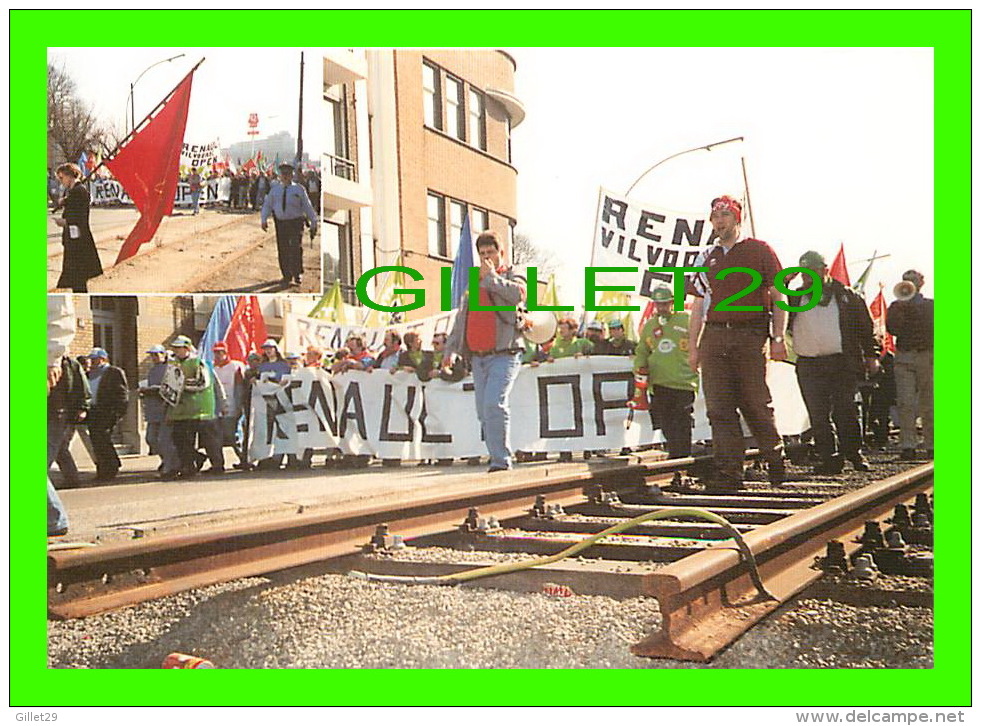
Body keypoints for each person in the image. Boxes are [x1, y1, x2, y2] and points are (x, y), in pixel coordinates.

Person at [686, 195, 788, 489]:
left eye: (725, 216)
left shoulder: (759, 250)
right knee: (719, 407)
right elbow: (697, 305)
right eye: (715, 217)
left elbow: (779, 297)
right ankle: (730, 473)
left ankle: (774, 457)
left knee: (755, 403)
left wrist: (778, 337)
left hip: (750, 333)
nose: (719, 222)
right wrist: (693, 347)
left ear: (737, 219)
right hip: (715, 335)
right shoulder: (706, 257)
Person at [787, 251, 879, 474]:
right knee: (817, 413)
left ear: (824, 270)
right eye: (804, 273)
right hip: (809, 363)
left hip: (841, 362)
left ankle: (854, 453)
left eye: (813, 272)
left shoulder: (847, 296)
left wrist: (871, 356)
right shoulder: (795, 298)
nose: (808, 278)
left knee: (845, 409)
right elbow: (774, 309)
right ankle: (829, 457)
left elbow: (866, 329)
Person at [444, 231, 527, 472]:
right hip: (478, 356)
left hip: (505, 351)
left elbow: (518, 295)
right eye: (482, 253)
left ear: (501, 253)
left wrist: (491, 277)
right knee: (483, 411)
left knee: (494, 404)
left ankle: (501, 461)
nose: (486, 257)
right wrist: (451, 349)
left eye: (490, 252)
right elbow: (463, 317)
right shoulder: (474, 281)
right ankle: (497, 455)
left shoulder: (515, 274)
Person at [633, 284, 699, 459]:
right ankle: (674, 454)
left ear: (672, 302)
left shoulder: (687, 320)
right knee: (665, 422)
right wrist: (639, 368)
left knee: (682, 421)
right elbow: (642, 351)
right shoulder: (650, 326)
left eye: (665, 304)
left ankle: (682, 457)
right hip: (659, 384)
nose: (661, 308)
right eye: (658, 304)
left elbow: (701, 342)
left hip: (684, 382)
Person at [886, 269, 934, 460]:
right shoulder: (896, 306)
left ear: (921, 282)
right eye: (906, 280)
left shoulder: (931, 306)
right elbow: (892, 328)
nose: (910, 283)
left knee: (929, 402)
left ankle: (932, 443)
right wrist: (902, 309)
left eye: (913, 280)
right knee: (905, 403)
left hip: (926, 355)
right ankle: (908, 445)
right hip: (905, 356)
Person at [164, 336, 219, 479]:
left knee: (207, 440)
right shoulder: (173, 364)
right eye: (174, 348)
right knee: (180, 440)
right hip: (180, 410)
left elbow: (202, 383)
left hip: (199, 409)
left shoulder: (198, 362)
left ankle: (215, 465)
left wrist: (181, 386)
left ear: (187, 348)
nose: (176, 351)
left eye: (178, 348)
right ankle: (191, 464)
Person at [260, 163, 319, 286]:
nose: (286, 176)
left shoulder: (299, 189)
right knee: (283, 249)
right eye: (283, 174)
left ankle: (297, 273)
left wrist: (314, 221)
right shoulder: (275, 190)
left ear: (292, 175)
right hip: (281, 223)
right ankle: (286, 275)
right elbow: (267, 205)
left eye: (288, 174)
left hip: (295, 222)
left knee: (296, 248)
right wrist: (264, 219)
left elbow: (307, 206)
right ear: (280, 176)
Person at [53, 162, 103, 293]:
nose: (61, 181)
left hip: (78, 243)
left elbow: (79, 218)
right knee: (77, 280)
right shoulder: (75, 191)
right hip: (76, 241)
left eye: (62, 178)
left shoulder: (78, 191)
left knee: (78, 280)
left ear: (69, 176)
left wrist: (63, 222)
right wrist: (66, 201)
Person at [86, 347, 129, 482]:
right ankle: (102, 469)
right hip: (93, 411)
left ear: (103, 359)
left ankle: (111, 466)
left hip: (107, 411)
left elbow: (122, 393)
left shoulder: (114, 372)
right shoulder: (89, 374)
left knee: (103, 438)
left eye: (95, 359)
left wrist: (118, 412)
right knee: (96, 440)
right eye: (91, 360)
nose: (92, 362)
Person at [139, 344, 180, 477]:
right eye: (152, 355)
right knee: (151, 439)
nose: (154, 357)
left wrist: (152, 390)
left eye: (157, 354)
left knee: (165, 440)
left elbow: (171, 389)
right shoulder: (152, 371)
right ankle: (167, 461)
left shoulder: (171, 369)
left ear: (164, 355)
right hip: (153, 412)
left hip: (166, 410)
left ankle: (170, 466)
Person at [211, 342, 247, 469]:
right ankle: (218, 464)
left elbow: (239, 388)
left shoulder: (235, 366)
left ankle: (244, 459)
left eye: (221, 352)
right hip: (215, 409)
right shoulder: (212, 368)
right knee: (216, 438)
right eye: (216, 352)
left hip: (231, 406)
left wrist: (239, 406)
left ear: (226, 353)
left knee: (232, 436)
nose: (218, 355)